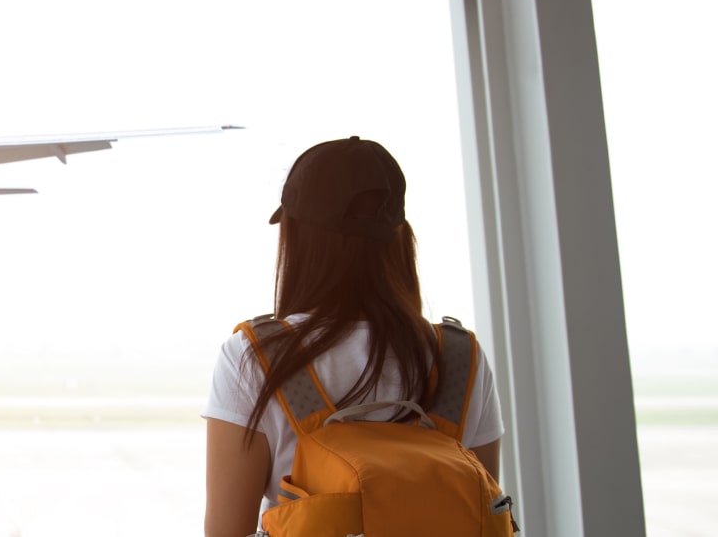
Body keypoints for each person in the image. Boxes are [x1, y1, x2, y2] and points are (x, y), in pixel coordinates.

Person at [200, 136, 504, 537]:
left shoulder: (255, 356)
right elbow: (480, 514)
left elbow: (225, 531)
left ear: (296, 238)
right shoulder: (460, 356)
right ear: (400, 238)